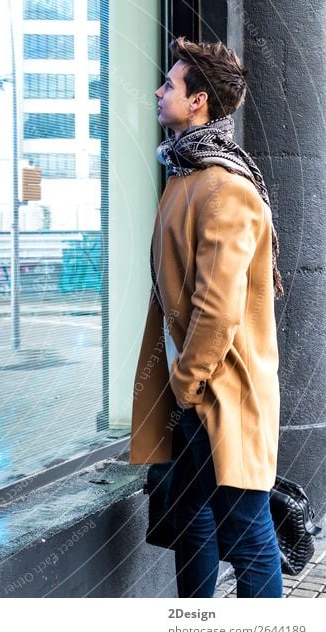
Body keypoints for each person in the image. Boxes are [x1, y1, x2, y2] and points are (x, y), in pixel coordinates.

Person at [130, 37, 285, 598]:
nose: (158, 90)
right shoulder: (186, 176)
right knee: (190, 514)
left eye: (170, 84)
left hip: (221, 392)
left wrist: (188, 383)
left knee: (248, 533)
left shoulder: (224, 187)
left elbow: (217, 307)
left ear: (198, 102)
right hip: (194, 391)